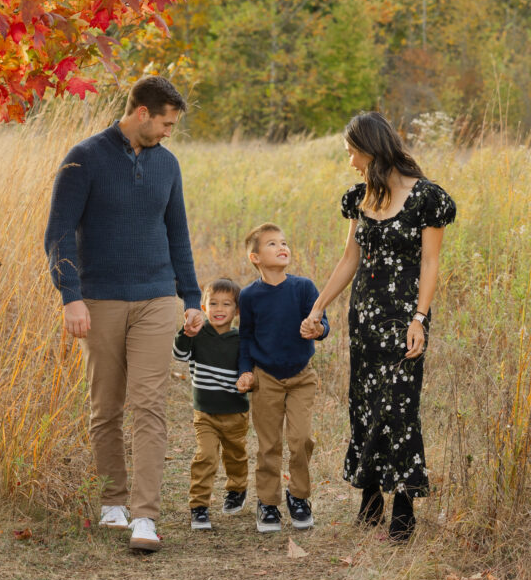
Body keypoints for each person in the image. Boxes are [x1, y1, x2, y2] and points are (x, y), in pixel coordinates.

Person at [44, 75, 203, 553]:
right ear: (141, 114)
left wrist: (191, 298)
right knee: (106, 406)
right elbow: (58, 234)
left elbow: (178, 234)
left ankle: (145, 517)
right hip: (101, 300)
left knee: (150, 404)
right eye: (166, 123)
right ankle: (112, 500)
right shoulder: (84, 158)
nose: (169, 132)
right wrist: (70, 295)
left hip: (156, 298)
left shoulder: (168, 165)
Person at [301, 111, 456, 542]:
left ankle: (403, 512)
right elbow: (349, 259)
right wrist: (318, 307)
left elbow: (430, 262)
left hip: (406, 318)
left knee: (401, 409)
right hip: (364, 319)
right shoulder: (359, 197)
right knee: (364, 403)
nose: (350, 162)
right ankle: (370, 500)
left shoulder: (428, 198)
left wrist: (420, 319)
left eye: (352, 153)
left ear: (370, 150)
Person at [236, 223, 329, 533]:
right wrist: (245, 371)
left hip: (301, 375)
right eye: (272, 244)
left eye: (284, 242)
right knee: (269, 443)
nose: (281, 247)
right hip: (266, 378)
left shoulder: (304, 288)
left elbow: (321, 323)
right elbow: (246, 337)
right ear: (255, 257)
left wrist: (317, 329)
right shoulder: (249, 296)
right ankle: (268, 503)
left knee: (301, 439)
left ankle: (299, 497)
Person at [173, 277, 249, 530]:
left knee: (235, 456)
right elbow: (179, 355)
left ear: (237, 311)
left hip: (235, 413)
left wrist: (248, 380)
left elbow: (250, 370)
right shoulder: (198, 334)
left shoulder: (241, 339)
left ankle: (237, 489)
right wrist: (185, 333)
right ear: (203, 308)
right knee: (205, 456)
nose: (219, 309)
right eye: (213, 303)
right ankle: (199, 507)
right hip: (204, 414)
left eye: (226, 304)